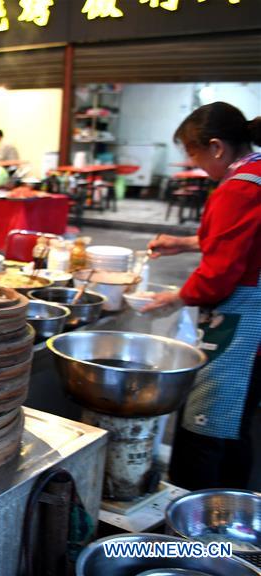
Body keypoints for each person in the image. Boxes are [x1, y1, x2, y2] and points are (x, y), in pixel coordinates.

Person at [143, 101, 261, 490]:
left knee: (209, 422)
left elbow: (220, 273)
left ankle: (196, 519)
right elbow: (242, 241)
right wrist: (184, 243)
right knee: (236, 423)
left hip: (241, 323)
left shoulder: (238, 189)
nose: (196, 166)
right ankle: (234, 513)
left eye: (193, 155)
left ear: (216, 147)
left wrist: (176, 297)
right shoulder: (257, 173)